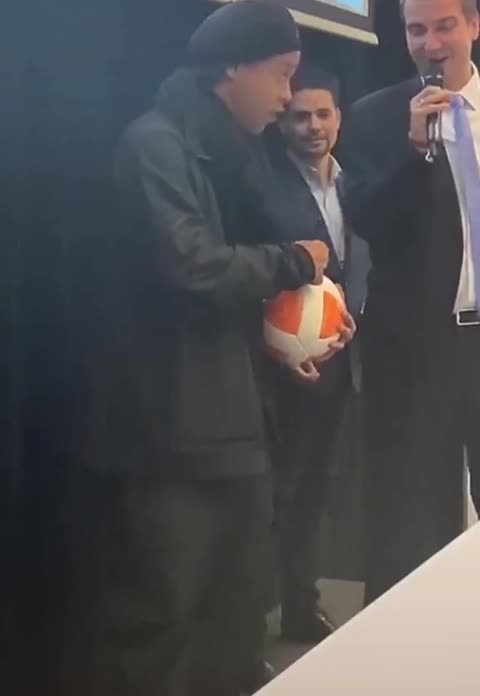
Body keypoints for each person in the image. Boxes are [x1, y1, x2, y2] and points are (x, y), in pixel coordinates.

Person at [73, 3, 338, 696]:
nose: (286, 96)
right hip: (167, 440)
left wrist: (285, 337)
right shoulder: (155, 145)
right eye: (282, 75)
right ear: (233, 68)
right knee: (161, 625)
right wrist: (294, 262)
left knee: (238, 620)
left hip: (236, 432)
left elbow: (230, 288)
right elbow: (191, 266)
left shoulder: (236, 153)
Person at [342, 0, 480, 606]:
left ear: (474, 25)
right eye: (415, 30)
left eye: (444, 26)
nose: (430, 43)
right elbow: (370, 223)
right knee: (411, 519)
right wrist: (416, 149)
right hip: (418, 349)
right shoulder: (375, 116)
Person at [264, 62, 369, 642]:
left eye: (322, 114)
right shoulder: (262, 187)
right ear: (283, 124)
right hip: (283, 370)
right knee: (275, 495)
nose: (312, 127)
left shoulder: (356, 184)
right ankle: (248, 624)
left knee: (315, 493)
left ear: (339, 117)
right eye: (299, 116)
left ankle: (301, 606)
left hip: (342, 364)